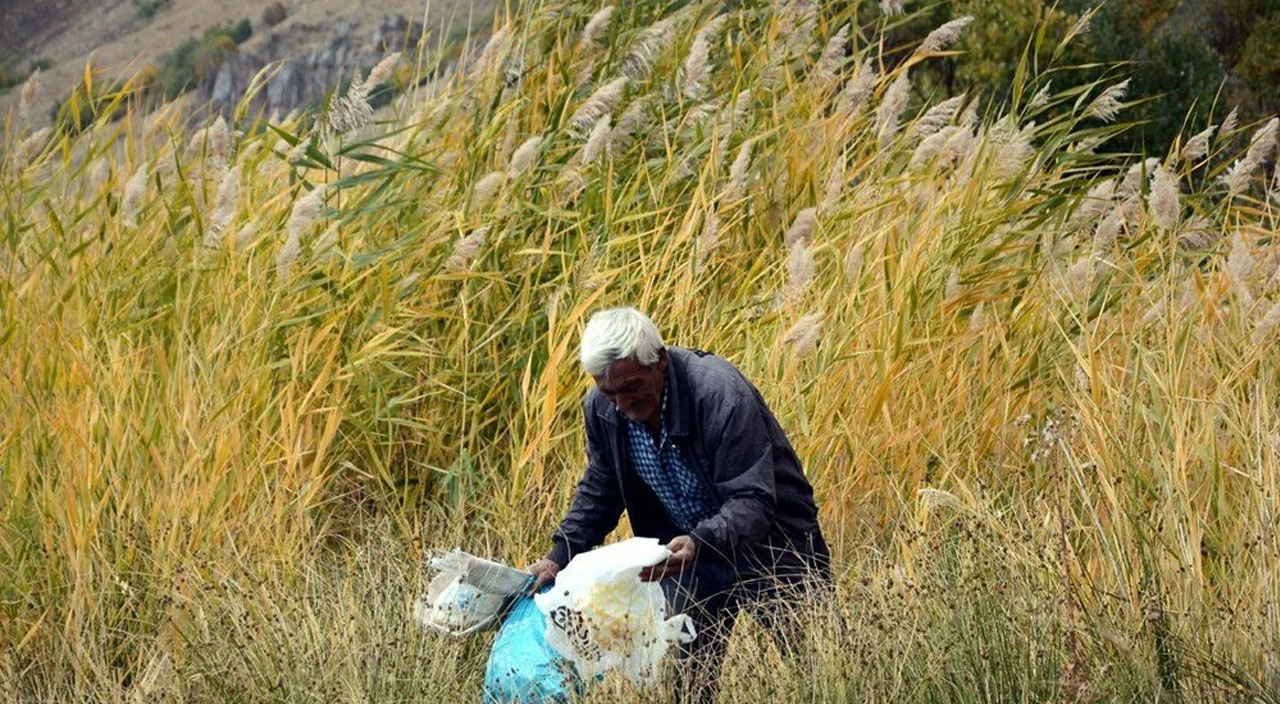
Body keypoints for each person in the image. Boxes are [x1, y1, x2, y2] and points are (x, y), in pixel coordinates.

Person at [526, 307, 832, 701]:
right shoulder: (601, 409)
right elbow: (602, 488)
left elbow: (752, 499)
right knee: (687, 683)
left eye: (631, 387)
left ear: (661, 360)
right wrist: (559, 554)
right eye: (609, 391)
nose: (621, 403)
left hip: (773, 544)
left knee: (820, 668)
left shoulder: (718, 394)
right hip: (684, 557)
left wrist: (699, 542)